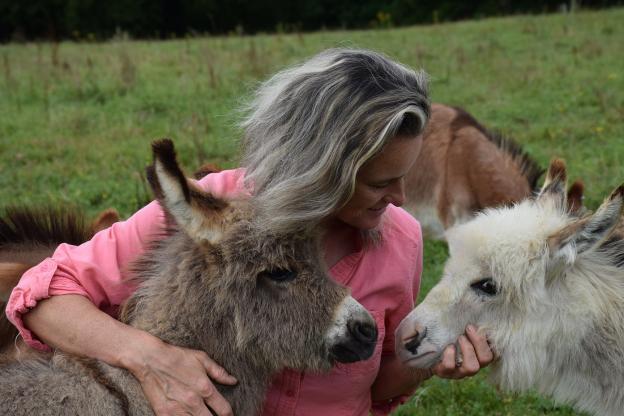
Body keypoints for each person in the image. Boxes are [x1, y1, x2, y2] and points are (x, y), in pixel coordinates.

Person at [6, 48, 493, 415]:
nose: (402, 199)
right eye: (380, 181)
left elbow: (377, 381)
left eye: (406, 176)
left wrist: (426, 356)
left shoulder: (401, 239)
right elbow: (43, 295)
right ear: (319, 169)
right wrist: (147, 357)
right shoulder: (217, 208)